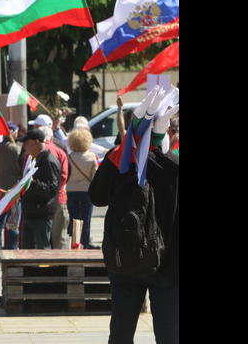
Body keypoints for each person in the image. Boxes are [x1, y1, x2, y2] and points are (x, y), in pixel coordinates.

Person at [89, 89, 178, 344]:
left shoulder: (119, 159)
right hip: (167, 263)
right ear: (167, 132)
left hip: (124, 255)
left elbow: (97, 197)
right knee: (169, 333)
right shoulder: (173, 165)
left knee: (121, 331)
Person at [19, 129, 61, 249]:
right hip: (31, 213)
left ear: (36, 143)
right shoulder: (35, 159)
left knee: (42, 254)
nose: (23, 146)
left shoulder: (49, 162)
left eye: (26, 143)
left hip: (41, 215)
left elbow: (52, 190)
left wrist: (32, 183)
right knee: (27, 253)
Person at [0, 123, 22, 258]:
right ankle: (11, 253)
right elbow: (19, 170)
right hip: (12, 192)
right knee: (12, 225)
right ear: (15, 134)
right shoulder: (16, 150)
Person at [66, 127, 98, 249]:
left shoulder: (69, 157)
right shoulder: (91, 157)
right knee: (86, 222)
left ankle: (73, 245)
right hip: (87, 191)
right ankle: (85, 246)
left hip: (71, 191)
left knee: (73, 221)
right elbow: (95, 177)